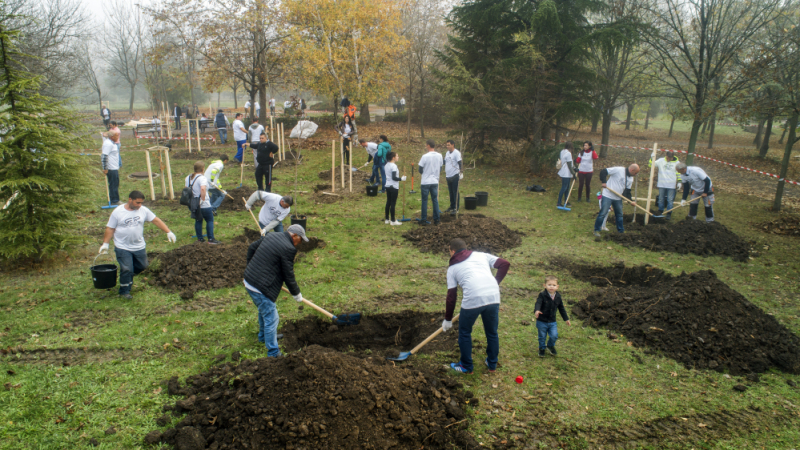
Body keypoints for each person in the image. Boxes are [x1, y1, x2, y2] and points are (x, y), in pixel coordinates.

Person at [441, 238, 511, 374]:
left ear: (452, 251)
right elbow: (505, 263)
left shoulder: (452, 268)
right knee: (492, 332)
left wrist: (448, 319)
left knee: (465, 332)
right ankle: (492, 364)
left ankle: (466, 366)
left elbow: (451, 296)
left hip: (472, 299)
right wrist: (494, 283)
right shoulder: (481, 255)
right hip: (493, 296)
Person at [243, 224, 308, 356]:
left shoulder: (272, 235)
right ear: (294, 235)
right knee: (272, 317)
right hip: (259, 287)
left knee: (264, 311)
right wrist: (296, 293)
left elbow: (251, 248)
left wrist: (251, 267)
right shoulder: (288, 248)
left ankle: (263, 337)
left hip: (249, 279)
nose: (299, 243)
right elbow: (288, 274)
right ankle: (273, 352)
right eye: (300, 239)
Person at [99, 190, 177, 300]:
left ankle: (127, 276)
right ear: (130, 200)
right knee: (126, 268)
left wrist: (168, 231)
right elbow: (110, 228)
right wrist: (105, 244)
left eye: (141, 203)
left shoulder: (143, 210)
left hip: (139, 246)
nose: (140, 205)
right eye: (137, 203)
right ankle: (124, 291)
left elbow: (156, 220)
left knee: (143, 267)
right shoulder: (118, 212)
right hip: (122, 247)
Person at [593, 164, 640, 237]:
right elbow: (604, 171)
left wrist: (630, 200)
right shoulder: (618, 170)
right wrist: (604, 182)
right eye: (635, 173)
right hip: (607, 195)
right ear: (632, 170)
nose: (636, 174)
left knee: (619, 215)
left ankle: (620, 231)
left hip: (618, 198)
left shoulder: (631, 178)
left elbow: (627, 191)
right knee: (603, 213)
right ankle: (596, 230)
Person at [534, 275, 571, 357]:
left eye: (554, 285)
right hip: (542, 321)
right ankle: (542, 348)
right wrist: (537, 310)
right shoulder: (542, 295)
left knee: (554, 335)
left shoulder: (558, 296)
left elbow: (561, 308)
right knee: (542, 336)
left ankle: (550, 345)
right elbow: (538, 303)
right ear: (545, 285)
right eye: (549, 285)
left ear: (557, 287)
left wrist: (566, 319)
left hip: (552, 321)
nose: (551, 287)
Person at [186, 161, 219, 244]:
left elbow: (187, 189)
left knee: (198, 220)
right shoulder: (202, 178)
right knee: (209, 220)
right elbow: (203, 189)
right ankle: (211, 239)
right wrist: (203, 199)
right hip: (203, 204)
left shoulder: (188, 177)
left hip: (193, 203)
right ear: (202, 169)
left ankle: (200, 239)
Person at [418, 139, 444, 225]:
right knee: (435, 200)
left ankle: (424, 219)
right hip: (434, 181)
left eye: (426, 145)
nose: (426, 146)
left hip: (425, 181)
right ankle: (437, 219)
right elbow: (440, 167)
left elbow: (420, 169)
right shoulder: (439, 156)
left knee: (424, 200)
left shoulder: (425, 156)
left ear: (428, 145)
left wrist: (425, 173)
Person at [652, 151, 680, 219]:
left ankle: (669, 213)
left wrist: (679, 181)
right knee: (661, 199)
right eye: (668, 157)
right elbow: (651, 165)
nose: (669, 158)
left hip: (671, 185)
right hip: (662, 184)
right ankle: (660, 211)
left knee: (670, 199)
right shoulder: (660, 161)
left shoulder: (677, 163)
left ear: (673, 157)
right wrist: (652, 158)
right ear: (665, 155)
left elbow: (679, 173)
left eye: (670, 157)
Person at [383, 151, 406, 225]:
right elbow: (394, 177)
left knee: (388, 202)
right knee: (393, 203)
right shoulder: (393, 166)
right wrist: (401, 179)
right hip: (393, 186)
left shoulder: (386, 165)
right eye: (397, 156)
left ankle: (387, 219)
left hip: (387, 185)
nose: (398, 157)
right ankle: (393, 220)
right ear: (393, 158)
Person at [101, 130, 121, 205]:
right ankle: (115, 200)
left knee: (115, 183)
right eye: (116, 135)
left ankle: (114, 198)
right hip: (111, 168)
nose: (118, 137)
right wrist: (105, 168)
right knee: (113, 184)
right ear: (112, 137)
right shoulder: (108, 144)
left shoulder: (110, 142)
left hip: (114, 167)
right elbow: (104, 156)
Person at [444, 140, 463, 214]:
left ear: (453, 145)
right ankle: (452, 206)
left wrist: (461, 172)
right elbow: (445, 161)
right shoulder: (447, 153)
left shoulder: (456, 153)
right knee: (451, 192)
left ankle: (456, 208)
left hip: (455, 175)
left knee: (455, 192)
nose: (447, 146)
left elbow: (460, 162)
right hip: (448, 176)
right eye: (447, 145)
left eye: (448, 145)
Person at [556, 142, 576, 208]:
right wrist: (574, 174)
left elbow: (571, 164)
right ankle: (559, 202)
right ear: (571, 147)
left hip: (565, 172)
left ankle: (566, 201)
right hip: (566, 173)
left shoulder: (562, 151)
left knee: (567, 188)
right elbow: (569, 165)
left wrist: (575, 168)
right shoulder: (569, 153)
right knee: (564, 187)